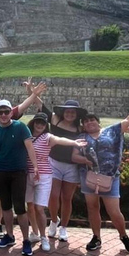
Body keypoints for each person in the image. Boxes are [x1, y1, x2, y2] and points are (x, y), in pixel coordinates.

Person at [80, 99, 129, 254]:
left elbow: (128, 120)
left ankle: (123, 236)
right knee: (92, 207)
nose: (89, 123)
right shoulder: (81, 136)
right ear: (83, 125)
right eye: (86, 121)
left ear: (98, 122)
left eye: (92, 120)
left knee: (114, 211)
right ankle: (96, 237)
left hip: (110, 177)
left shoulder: (113, 130)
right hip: (88, 176)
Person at [0, 82, 43, 238]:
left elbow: (23, 106)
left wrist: (33, 93)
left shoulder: (11, 118)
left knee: (2, 196)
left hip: (6, 163)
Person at [0, 99, 39, 256]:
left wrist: (35, 167)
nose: (3, 115)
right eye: (0, 112)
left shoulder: (20, 127)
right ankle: (9, 235)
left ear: (11, 112)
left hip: (18, 172)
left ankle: (26, 240)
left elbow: (29, 146)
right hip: (1, 171)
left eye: (6, 111)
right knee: (6, 207)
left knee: (20, 208)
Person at [24, 112, 88, 252]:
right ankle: (34, 233)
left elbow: (60, 139)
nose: (39, 125)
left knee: (39, 208)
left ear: (45, 125)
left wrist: (74, 143)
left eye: (42, 123)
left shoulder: (47, 137)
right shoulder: (26, 136)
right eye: (37, 122)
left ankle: (43, 237)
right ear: (33, 123)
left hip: (43, 175)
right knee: (30, 206)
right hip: (27, 174)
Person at [36, 96, 88, 243]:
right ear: (63, 112)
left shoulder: (80, 128)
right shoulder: (55, 120)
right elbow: (41, 105)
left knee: (67, 198)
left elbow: (96, 130)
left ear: (77, 114)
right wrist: (32, 92)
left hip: (72, 166)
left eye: (73, 112)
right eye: (67, 111)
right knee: (53, 195)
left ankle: (64, 227)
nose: (70, 114)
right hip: (54, 162)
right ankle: (54, 221)